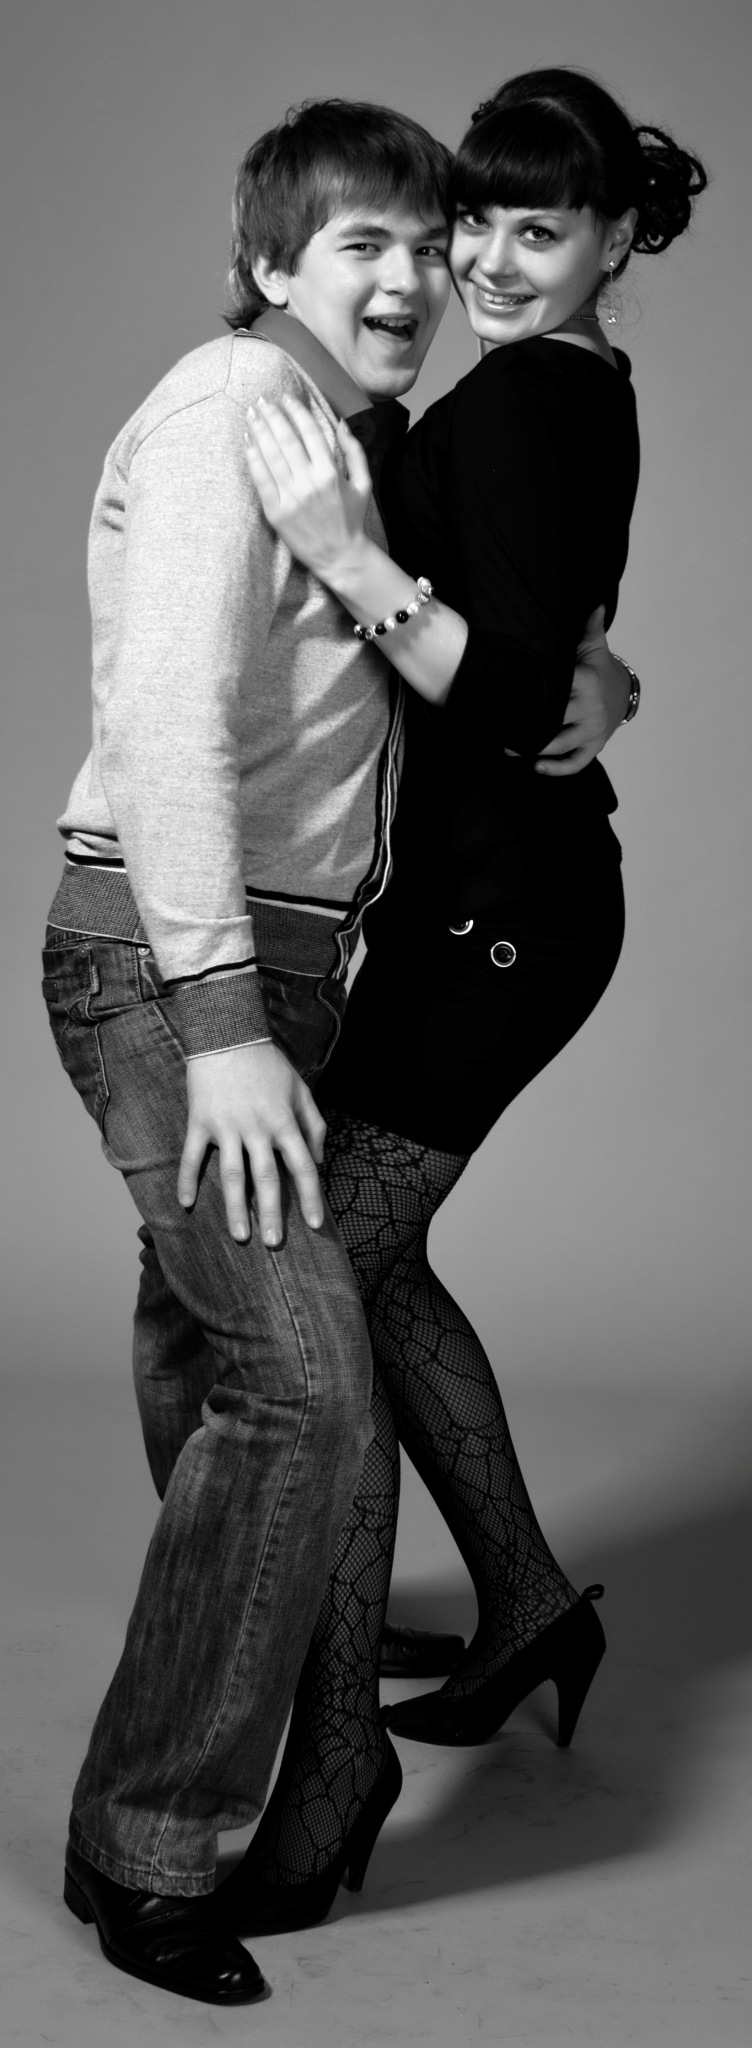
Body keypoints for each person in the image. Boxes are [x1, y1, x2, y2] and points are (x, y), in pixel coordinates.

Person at [42, 95, 623, 2003]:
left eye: (426, 243)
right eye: (363, 244)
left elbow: (459, 647)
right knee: (302, 1384)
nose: (414, 278)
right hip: (169, 963)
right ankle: (157, 1841)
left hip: (291, 966)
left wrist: (586, 677)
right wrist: (219, 1023)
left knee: (213, 1356)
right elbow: (165, 731)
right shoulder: (236, 412)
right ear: (269, 261)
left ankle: (282, 1647)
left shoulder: (351, 438)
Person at [232, 68, 707, 1933]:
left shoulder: (522, 400)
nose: (493, 263)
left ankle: (335, 1767)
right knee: (370, 1267)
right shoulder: (577, 385)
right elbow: (546, 634)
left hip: (502, 919)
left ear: (614, 239)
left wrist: (350, 553)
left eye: (539, 229)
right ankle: (524, 1608)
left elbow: (511, 687)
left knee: (325, 1299)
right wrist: (603, 677)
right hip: (494, 903)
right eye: (471, 228)